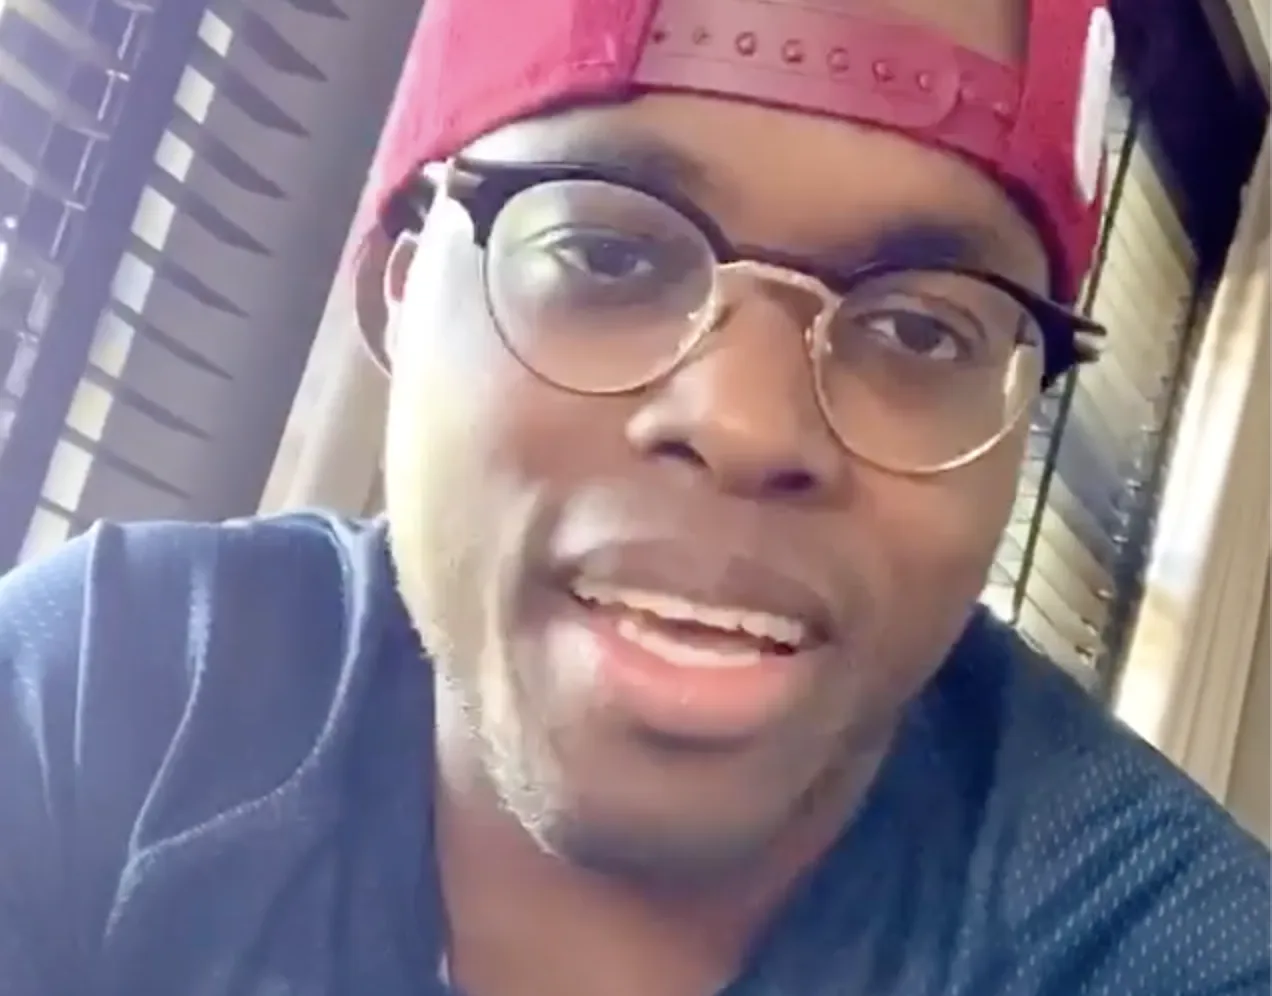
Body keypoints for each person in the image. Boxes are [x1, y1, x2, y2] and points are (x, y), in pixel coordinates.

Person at [0, 0, 1268, 992]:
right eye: (606, 253)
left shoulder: (1167, 952)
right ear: (399, 290)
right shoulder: (114, 700)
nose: (746, 426)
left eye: (924, 330)